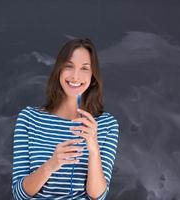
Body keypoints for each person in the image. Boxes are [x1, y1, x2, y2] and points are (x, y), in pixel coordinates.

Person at [11, 38, 119, 200]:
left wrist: (93, 148)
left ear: (93, 77)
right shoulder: (29, 118)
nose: (75, 76)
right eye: (69, 66)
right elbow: (19, 195)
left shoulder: (107, 124)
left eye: (84, 68)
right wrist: (51, 165)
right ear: (59, 71)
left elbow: (98, 197)